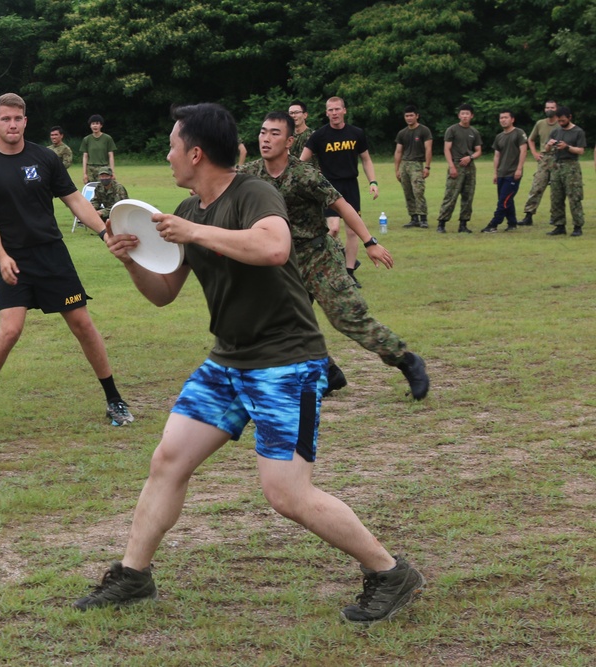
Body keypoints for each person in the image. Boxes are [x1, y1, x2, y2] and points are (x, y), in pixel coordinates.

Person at [75, 103, 425, 626]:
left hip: (286, 362)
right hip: (228, 361)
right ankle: (134, 574)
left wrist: (192, 235)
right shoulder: (189, 210)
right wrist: (130, 260)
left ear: (195, 153)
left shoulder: (254, 192)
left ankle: (390, 571)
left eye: (172, 146)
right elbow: (164, 293)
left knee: (287, 493)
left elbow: (274, 247)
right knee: (168, 460)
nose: (168, 155)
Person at [0, 93, 133, 436]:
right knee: (10, 330)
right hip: (13, 259)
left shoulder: (44, 158)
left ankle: (114, 398)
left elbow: (74, 200)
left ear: (26, 121)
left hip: (52, 255)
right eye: (6, 119)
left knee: (83, 323)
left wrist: (103, 232)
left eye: (18, 118)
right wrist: (1, 257)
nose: (13, 124)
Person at [240, 111, 430, 399]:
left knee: (347, 317)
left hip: (318, 258)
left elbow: (342, 206)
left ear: (290, 140)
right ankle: (328, 372)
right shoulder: (250, 174)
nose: (266, 139)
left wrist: (370, 242)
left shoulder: (304, 174)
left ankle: (407, 360)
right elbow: (218, 185)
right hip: (283, 263)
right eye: (263, 132)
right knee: (281, 323)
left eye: (275, 133)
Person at [300, 97, 378, 288]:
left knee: (352, 231)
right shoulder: (319, 136)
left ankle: (349, 272)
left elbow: (366, 159)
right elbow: (302, 161)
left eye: (337, 109)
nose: (334, 113)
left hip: (350, 185)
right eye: (330, 110)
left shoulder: (356, 133)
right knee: (333, 228)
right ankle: (333, 262)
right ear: (326, 113)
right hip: (328, 187)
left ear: (344, 110)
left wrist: (373, 181)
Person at [437, 104, 483, 233]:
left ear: (472, 116)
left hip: (470, 166)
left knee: (468, 196)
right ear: (459, 115)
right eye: (462, 113)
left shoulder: (474, 132)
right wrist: (451, 166)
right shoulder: (452, 130)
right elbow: (447, 149)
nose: (465, 116)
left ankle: (463, 224)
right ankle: (442, 223)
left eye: (467, 114)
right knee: (451, 195)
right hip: (456, 164)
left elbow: (479, 151)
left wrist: (470, 157)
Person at [482, 110, 528, 233]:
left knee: (504, 201)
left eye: (506, 117)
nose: (503, 120)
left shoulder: (519, 133)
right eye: (501, 118)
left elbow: (523, 151)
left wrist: (519, 169)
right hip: (501, 173)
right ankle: (512, 222)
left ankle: (494, 224)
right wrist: (495, 173)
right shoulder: (499, 137)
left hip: (513, 173)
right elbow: (497, 156)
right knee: (507, 200)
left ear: (512, 119)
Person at [545, 106, 585, 237]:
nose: (561, 123)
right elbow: (547, 149)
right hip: (557, 166)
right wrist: (550, 144)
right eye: (559, 121)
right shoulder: (556, 132)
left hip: (571, 166)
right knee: (556, 197)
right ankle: (559, 225)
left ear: (569, 117)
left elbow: (580, 151)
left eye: (563, 120)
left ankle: (577, 226)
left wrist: (567, 147)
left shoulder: (578, 131)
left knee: (574, 197)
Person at [394, 106, 433, 228]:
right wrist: (397, 169)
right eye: (407, 116)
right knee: (408, 192)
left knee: (418, 191)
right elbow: (398, 151)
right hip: (404, 164)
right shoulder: (402, 133)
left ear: (417, 116)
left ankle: (423, 218)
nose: (409, 118)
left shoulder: (424, 131)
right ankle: (413, 217)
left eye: (411, 115)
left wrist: (427, 167)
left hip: (417, 164)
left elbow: (428, 148)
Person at [521, 100, 559, 227]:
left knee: (557, 189)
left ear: (556, 109)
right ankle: (528, 215)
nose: (549, 109)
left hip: (558, 158)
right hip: (544, 158)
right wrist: (535, 153)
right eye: (547, 107)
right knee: (537, 186)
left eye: (552, 107)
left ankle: (556, 216)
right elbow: (530, 139)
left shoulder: (561, 123)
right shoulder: (540, 123)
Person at [80, 114, 117, 184]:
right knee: (91, 189)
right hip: (90, 169)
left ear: (101, 125)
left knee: (104, 188)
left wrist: (112, 172)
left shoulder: (107, 138)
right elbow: (85, 156)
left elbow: (111, 156)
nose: (95, 126)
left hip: (104, 168)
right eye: (93, 124)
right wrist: (84, 173)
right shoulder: (86, 139)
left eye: (97, 123)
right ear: (90, 126)